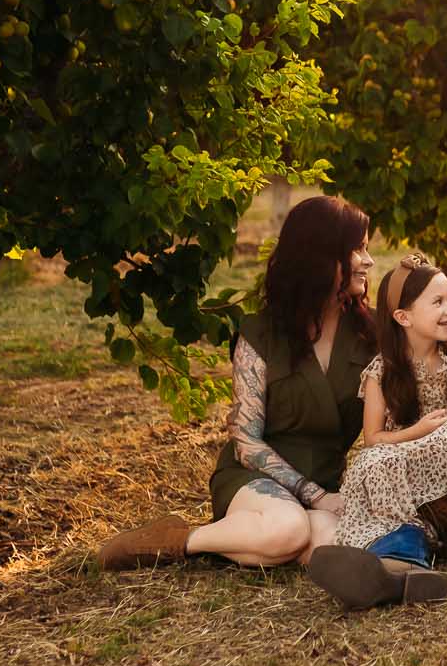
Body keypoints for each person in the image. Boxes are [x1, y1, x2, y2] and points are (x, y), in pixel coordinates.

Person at [98, 196, 376, 571]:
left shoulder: (370, 335)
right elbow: (246, 441)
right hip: (255, 477)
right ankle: (177, 539)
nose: (369, 261)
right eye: (357, 249)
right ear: (322, 256)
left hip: (324, 482)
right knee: (288, 532)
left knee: (328, 544)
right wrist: (315, 495)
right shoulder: (260, 333)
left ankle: (242, 541)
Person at [306, 256, 447, 609]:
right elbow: (372, 438)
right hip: (413, 486)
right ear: (403, 317)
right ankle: (402, 560)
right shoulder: (382, 374)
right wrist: (419, 432)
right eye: (437, 302)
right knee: (376, 460)